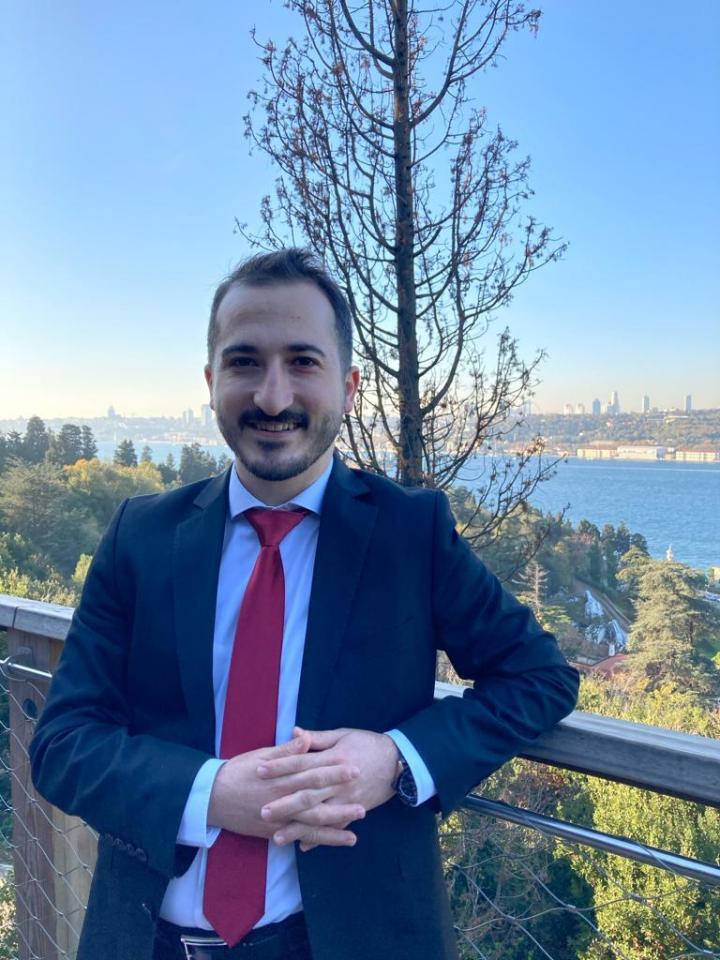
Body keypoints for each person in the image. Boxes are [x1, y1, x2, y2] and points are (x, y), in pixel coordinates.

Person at [30, 249, 579, 960]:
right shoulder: (141, 535)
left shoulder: (411, 534)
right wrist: (209, 793)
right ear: (211, 382)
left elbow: (540, 678)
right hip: (144, 940)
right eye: (245, 362)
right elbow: (64, 742)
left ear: (348, 387)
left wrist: (396, 759)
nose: (272, 396)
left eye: (303, 362)